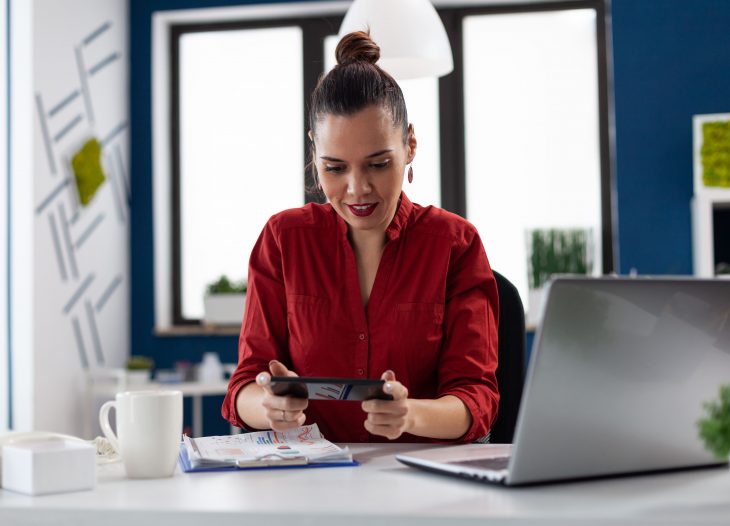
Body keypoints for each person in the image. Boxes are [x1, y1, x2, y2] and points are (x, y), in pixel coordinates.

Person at [222, 31, 499, 443]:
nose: (357, 190)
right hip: (309, 483)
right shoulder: (283, 239)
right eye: (335, 168)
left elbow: (476, 399)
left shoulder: (455, 244)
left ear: (410, 145)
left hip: (420, 484)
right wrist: (266, 405)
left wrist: (410, 415)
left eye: (377, 164)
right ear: (314, 153)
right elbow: (243, 386)